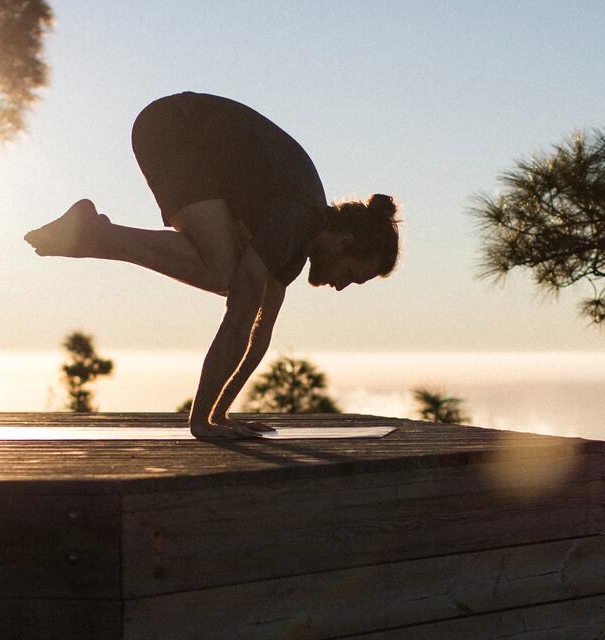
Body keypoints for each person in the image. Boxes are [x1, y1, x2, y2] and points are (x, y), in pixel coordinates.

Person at [24, 92, 400, 439]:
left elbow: (259, 334)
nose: (341, 286)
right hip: (176, 126)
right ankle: (92, 232)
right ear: (343, 241)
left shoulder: (295, 245)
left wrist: (221, 414)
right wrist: (200, 422)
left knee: (230, 273)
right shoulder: (294, 219)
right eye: (351, 275)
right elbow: (239, 318)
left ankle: (90, 233)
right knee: (226, 273)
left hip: (194, 143)